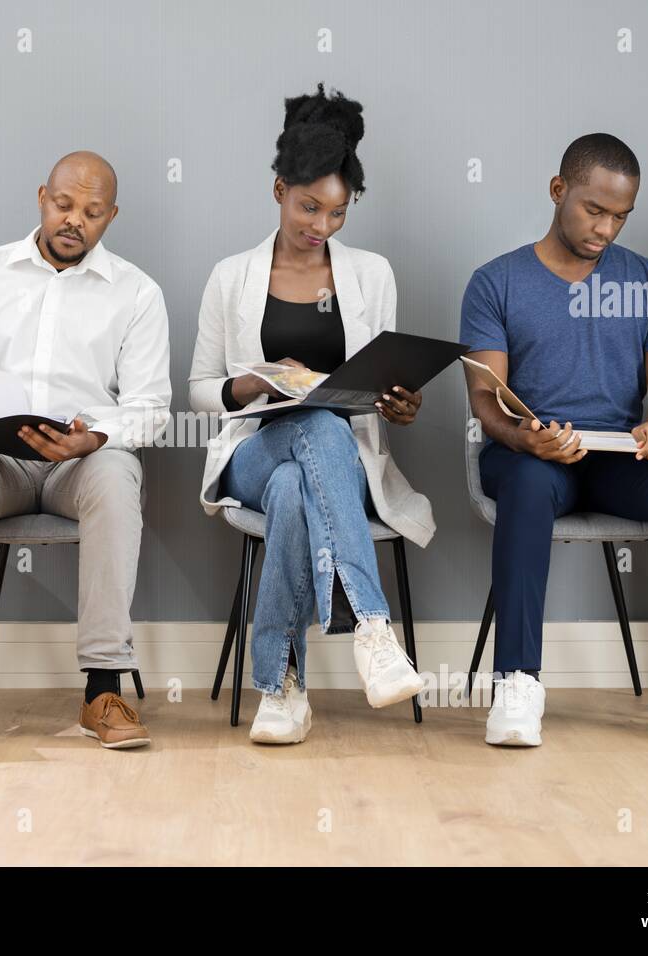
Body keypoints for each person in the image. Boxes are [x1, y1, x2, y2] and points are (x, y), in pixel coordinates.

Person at [460, 133, 648, 748]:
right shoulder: (495, 282)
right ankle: (517, 682)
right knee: (530, 484)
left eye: (620, 216)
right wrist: (525, 439)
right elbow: (484, 400)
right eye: (594, 210)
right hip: (532, 454)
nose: (606, 228)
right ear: (559, 190)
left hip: (616, 456)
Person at [0, 151, 171, 753]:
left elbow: (152, 408)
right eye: (64, 204)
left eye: (93, 212)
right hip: (0, 460)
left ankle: (103, 688)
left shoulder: (137, 293)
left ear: (112, 216)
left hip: (82, 462)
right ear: (42, 196)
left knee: (117, 477)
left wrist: (94, 436)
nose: (75, 220)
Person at [189, 85, 431, 745]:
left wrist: (397, 403)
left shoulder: (373, 275)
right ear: (278, 190)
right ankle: (372, 629)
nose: (320, 226)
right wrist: (245, 389)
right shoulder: (231, 276)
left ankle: (283, 684)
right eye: (307, 206)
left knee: (302, 479)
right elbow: (199, 389)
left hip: (337, 464)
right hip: (250, 453)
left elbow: (381, 380)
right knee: (311, 429)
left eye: (337, 213)